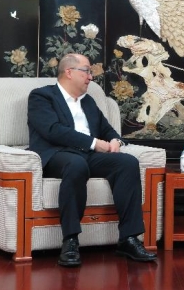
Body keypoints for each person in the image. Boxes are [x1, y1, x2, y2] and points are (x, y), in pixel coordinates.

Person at [27, 53, 156, 266]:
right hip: (58, 154)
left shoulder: (88, 102)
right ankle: (70, 240)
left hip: (87, 155)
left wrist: (115, 141)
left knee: (127, 163)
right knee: (76, 165)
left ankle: (129, 238)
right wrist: (95, 143)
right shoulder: (42, 96)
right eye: (86, 71)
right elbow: (53, 131)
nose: (91, 77)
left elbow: (107, 129)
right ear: (69, 72)